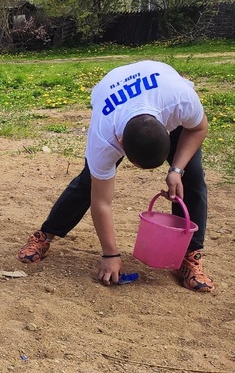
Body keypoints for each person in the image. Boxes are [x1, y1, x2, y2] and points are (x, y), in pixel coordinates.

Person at [16, 60, 214, 293]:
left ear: (167, 128)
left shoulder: (181, 99)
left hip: (161, 89)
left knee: (193, 179)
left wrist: (176, 169)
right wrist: (110, 254)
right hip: (114, 96)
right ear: (120, 144)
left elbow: (198, 128)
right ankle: (44, 234)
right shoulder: (104, 136)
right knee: (88, 183)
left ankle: (190, 256)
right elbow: (102, 202)